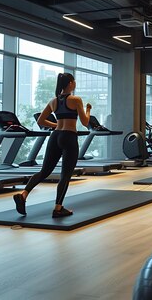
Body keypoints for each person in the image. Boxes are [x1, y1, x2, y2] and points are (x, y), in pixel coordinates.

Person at [13, 73, 92, 217]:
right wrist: (88, 110)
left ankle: (24, 195)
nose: (75, 84)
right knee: (65, 175)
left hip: (55, 136)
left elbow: (41, 121)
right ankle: (58, 208)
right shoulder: (76, 100)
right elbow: (85, 122)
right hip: (69, 136)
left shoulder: (53, 101)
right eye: (74, 82)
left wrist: (57, 124)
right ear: (69, 83)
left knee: (45, 171)